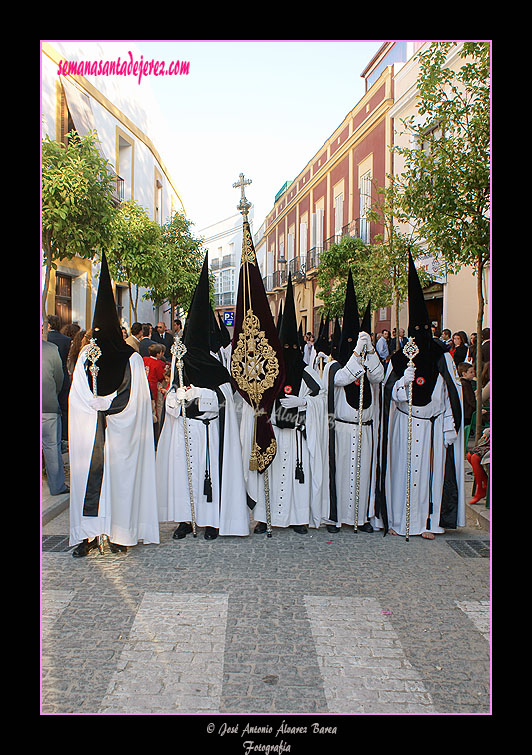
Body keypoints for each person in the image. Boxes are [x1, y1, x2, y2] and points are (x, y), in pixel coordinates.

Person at [68, 252, 160, 557]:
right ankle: (89, 535)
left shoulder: (130, 358)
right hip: (92, 433)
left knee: (119, 482)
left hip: (120, 434)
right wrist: (97, 407)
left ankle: (120, 533)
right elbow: (77, 395)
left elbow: (136, 399)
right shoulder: (85, 356)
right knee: (90, 481)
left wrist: (103, 406)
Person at [156, 253, 250, 541]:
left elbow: (224, 396)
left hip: (209, 430)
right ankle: (186, 520)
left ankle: (211, 521)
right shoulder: (180, 362)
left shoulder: (214, 366)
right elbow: (171, 394)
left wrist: (200, 393)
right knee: (184, 477)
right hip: (186, 429)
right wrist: (176, 401)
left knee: (208, 475)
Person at [378, 253, 465, 540]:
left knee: (427, 477)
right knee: (400, 475)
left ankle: (427, 523)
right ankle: (398, 522)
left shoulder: (441, 358)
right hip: (404, 425)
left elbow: (450, 395)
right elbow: (390, 393)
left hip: (430, 429)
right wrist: (403, 384)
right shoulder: (398, 359)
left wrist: (448, 425)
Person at [244, 274, 328, 535]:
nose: (290, 350)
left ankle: (298, 518)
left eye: (294, 345)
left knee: (296, 476)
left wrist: (304, 402)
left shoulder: (307, 371)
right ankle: (264, 517)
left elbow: (322, 397)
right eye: (285, 346)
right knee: (270, 473)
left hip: (297, 434)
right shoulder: (269, 371)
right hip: (273, 432)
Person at [322, 272, 384, 534]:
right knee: (342, 475)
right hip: (344, 429)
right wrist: (357, 353)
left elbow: (378, 376)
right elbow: (343, 378)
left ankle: (362, 517)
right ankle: (337, 518)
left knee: (364, 474)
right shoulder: (334, 366)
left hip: (365, 427)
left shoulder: (366, 362)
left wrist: (369, 352)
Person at [42, 337, 69, 496]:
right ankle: (57, 486)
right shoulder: (51, 349)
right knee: (52, 446)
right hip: (48, 404)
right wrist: (54, 393)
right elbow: (59, 378)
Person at [47, 315, 72, 452]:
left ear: (48, 325)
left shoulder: (46, 339)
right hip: (62, 374)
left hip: (48, 375)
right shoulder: (66, 340)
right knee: (63, 407)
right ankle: (64, 437)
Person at [458, 362, 476, 426]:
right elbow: (470, 400)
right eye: (471, 372)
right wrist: (478, 408)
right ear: (464, 373)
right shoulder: (465, 384)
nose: (473, 374)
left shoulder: (463, 383)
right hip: (468, 414)